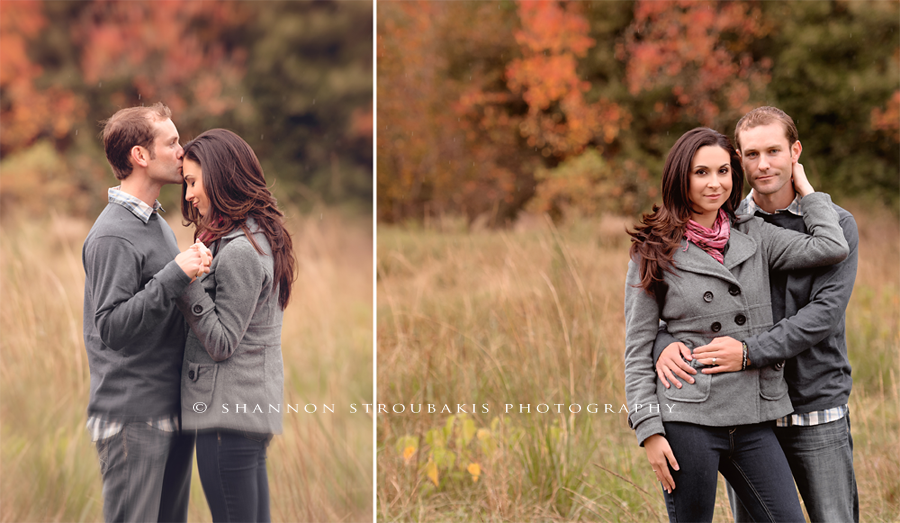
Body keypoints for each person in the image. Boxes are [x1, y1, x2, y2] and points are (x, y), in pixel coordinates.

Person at [624, 127, 849, 522]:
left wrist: (808, 191)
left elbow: (832, 247)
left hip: (752, 417)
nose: (715, 183)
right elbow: (637, 346)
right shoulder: (653, 248)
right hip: (688, 416)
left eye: (724, 171)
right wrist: (649, 430)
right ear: (681, 177)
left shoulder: (755, 235)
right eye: (701, 173)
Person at [83, 103, 209, 522]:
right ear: (140, 156)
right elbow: (111, 327)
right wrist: (175, 274)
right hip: (132, 417)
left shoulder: (155, 223)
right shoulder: (112, 235)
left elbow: (164, 305)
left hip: (168, 408)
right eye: (171, 142)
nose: (182, 150)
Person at [176, 128, 296, 522]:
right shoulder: (253, 236)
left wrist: (186, 283)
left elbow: (223, 341)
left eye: (193, 181)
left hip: (226, 413)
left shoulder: (241, 250)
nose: (189, 194)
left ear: (220, 175)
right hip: (246, 409)